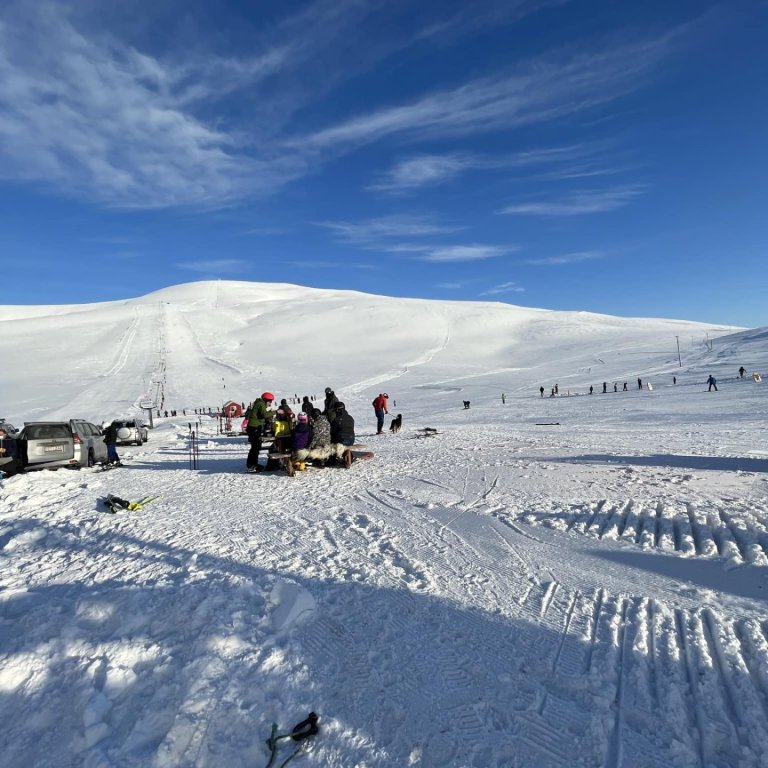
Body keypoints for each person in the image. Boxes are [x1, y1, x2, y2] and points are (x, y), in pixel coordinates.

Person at [246, 391, 274, 472]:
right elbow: (264, 415)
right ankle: (251, 465)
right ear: (266, 400)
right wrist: (275, 412)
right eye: (270, 401)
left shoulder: (259, 403)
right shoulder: (261, 404)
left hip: (254, 428)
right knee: (255, 447)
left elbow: (262, 414)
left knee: (255, 447)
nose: (270, 403)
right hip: (254, 428)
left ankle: (252, 464)